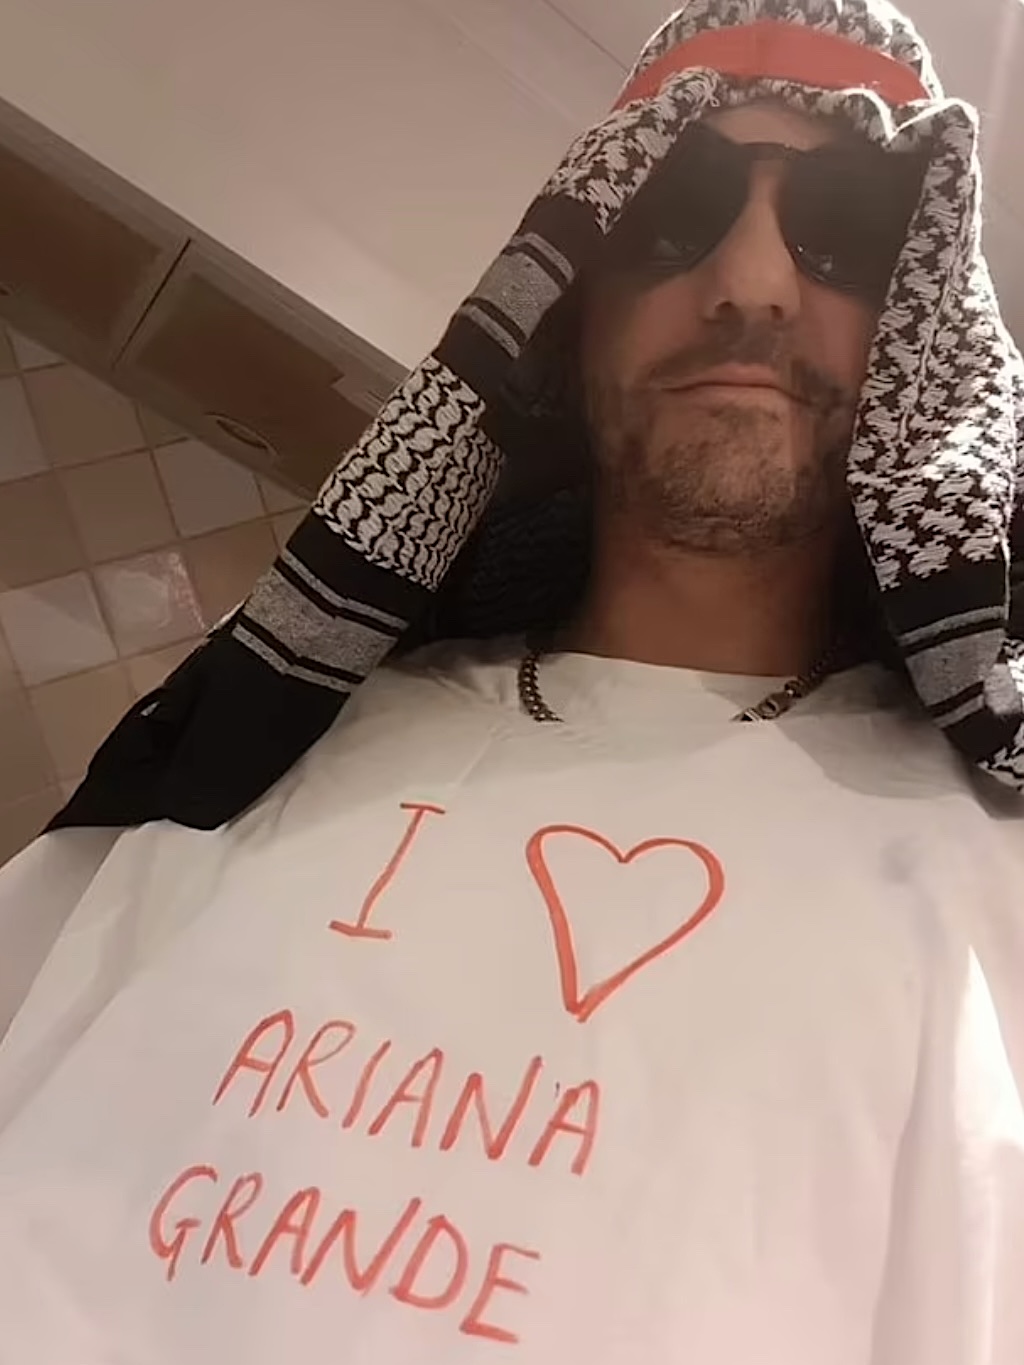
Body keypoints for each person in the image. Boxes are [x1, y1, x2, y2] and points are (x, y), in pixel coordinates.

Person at [0, 0, 1023, 1360]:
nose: (754, 282)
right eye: (674, 215)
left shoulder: (993, 885)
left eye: (846, 231)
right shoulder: (237, 760)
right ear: (568, 306)